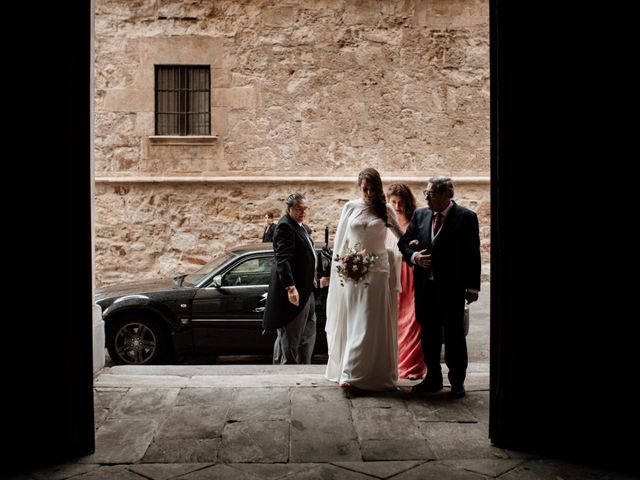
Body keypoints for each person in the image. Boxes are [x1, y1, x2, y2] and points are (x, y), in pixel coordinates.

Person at [398, 176, 481, 398]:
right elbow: (403, 243)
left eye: (431, 194)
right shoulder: (421, 215)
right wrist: (414, 256)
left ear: (447, 195)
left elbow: (473, 254)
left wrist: (473, 287)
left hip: (452, 288)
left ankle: (457, 382)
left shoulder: (466, 218)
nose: (426, 197)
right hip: (426, 287)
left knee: (454, 336)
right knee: (429, 336)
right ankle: (432, 379)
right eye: (426, 193)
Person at [325, 168, 404, 392]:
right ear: (359, 187)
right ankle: (350, 372)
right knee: (355, 319)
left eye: (372, 189)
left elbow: (402, 236)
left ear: (378, 188)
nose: (368, 193)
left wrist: (416, 248)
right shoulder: (350, 208)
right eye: (364, 189)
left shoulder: (386, 209)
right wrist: (343, 265)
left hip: (379, 271)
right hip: (354, 272)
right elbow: (341, 242)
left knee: (373, 320)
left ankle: (377, 373)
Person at [262, 194, 317, 364]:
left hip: (306, 289)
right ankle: (286, 374)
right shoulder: (285, 227)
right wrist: (291, 288)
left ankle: (302, 369)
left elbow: (306, 256)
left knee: (307, 333)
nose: (303, 212)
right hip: (295, 292)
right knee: (290, 339)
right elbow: (283, 259)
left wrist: (313, 277)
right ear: (289, 209)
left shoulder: (301, 227)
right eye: (299, 209)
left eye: (305, 209)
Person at [386, 184, 427, 380]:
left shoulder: (416, 219)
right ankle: (395, 363)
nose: (396, 206)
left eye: (400, 203)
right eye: (393, 202)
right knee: (395, 318)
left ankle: (412, 367)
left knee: (412, 319)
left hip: (411, 272)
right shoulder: (387, 219)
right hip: (393, 272)